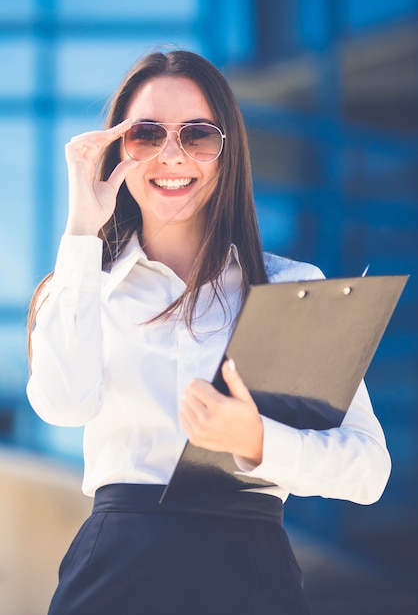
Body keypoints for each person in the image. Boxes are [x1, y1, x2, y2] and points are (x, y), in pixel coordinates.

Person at [26, 49, 391, 615]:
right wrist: (81, 231)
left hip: (250, 570)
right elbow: (62, 406)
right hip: (116, 569)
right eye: (146, 134)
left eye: (198, 135)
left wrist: (256, 440)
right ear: (118, 151)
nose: (172, 155)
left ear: (228, 153)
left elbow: (368, 472)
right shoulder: (79, 285)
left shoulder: (291, 289)